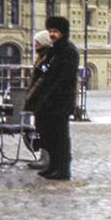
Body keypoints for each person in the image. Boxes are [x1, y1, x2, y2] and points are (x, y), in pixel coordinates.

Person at [25, 16, 79, 181]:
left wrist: (51, 94)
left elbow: (64, 78)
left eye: (56, 31)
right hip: (47, 102)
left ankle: (63, 169)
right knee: (48, 136)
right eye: (51, 31)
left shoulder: (69, 51)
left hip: (60, 101)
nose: (53, 34)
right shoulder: (53, 51)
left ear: (63, 33)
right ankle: (53, 166)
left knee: (60, 137)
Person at [25, 30, 53, 170]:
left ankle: (47, 158)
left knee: (46, 129)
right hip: (38, 98)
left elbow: (42, 79)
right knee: (41, 127)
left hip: (44, 99)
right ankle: (44, 156)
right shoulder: (42, 56)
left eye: (37, 42)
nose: (35, 45)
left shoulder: (48, 58)